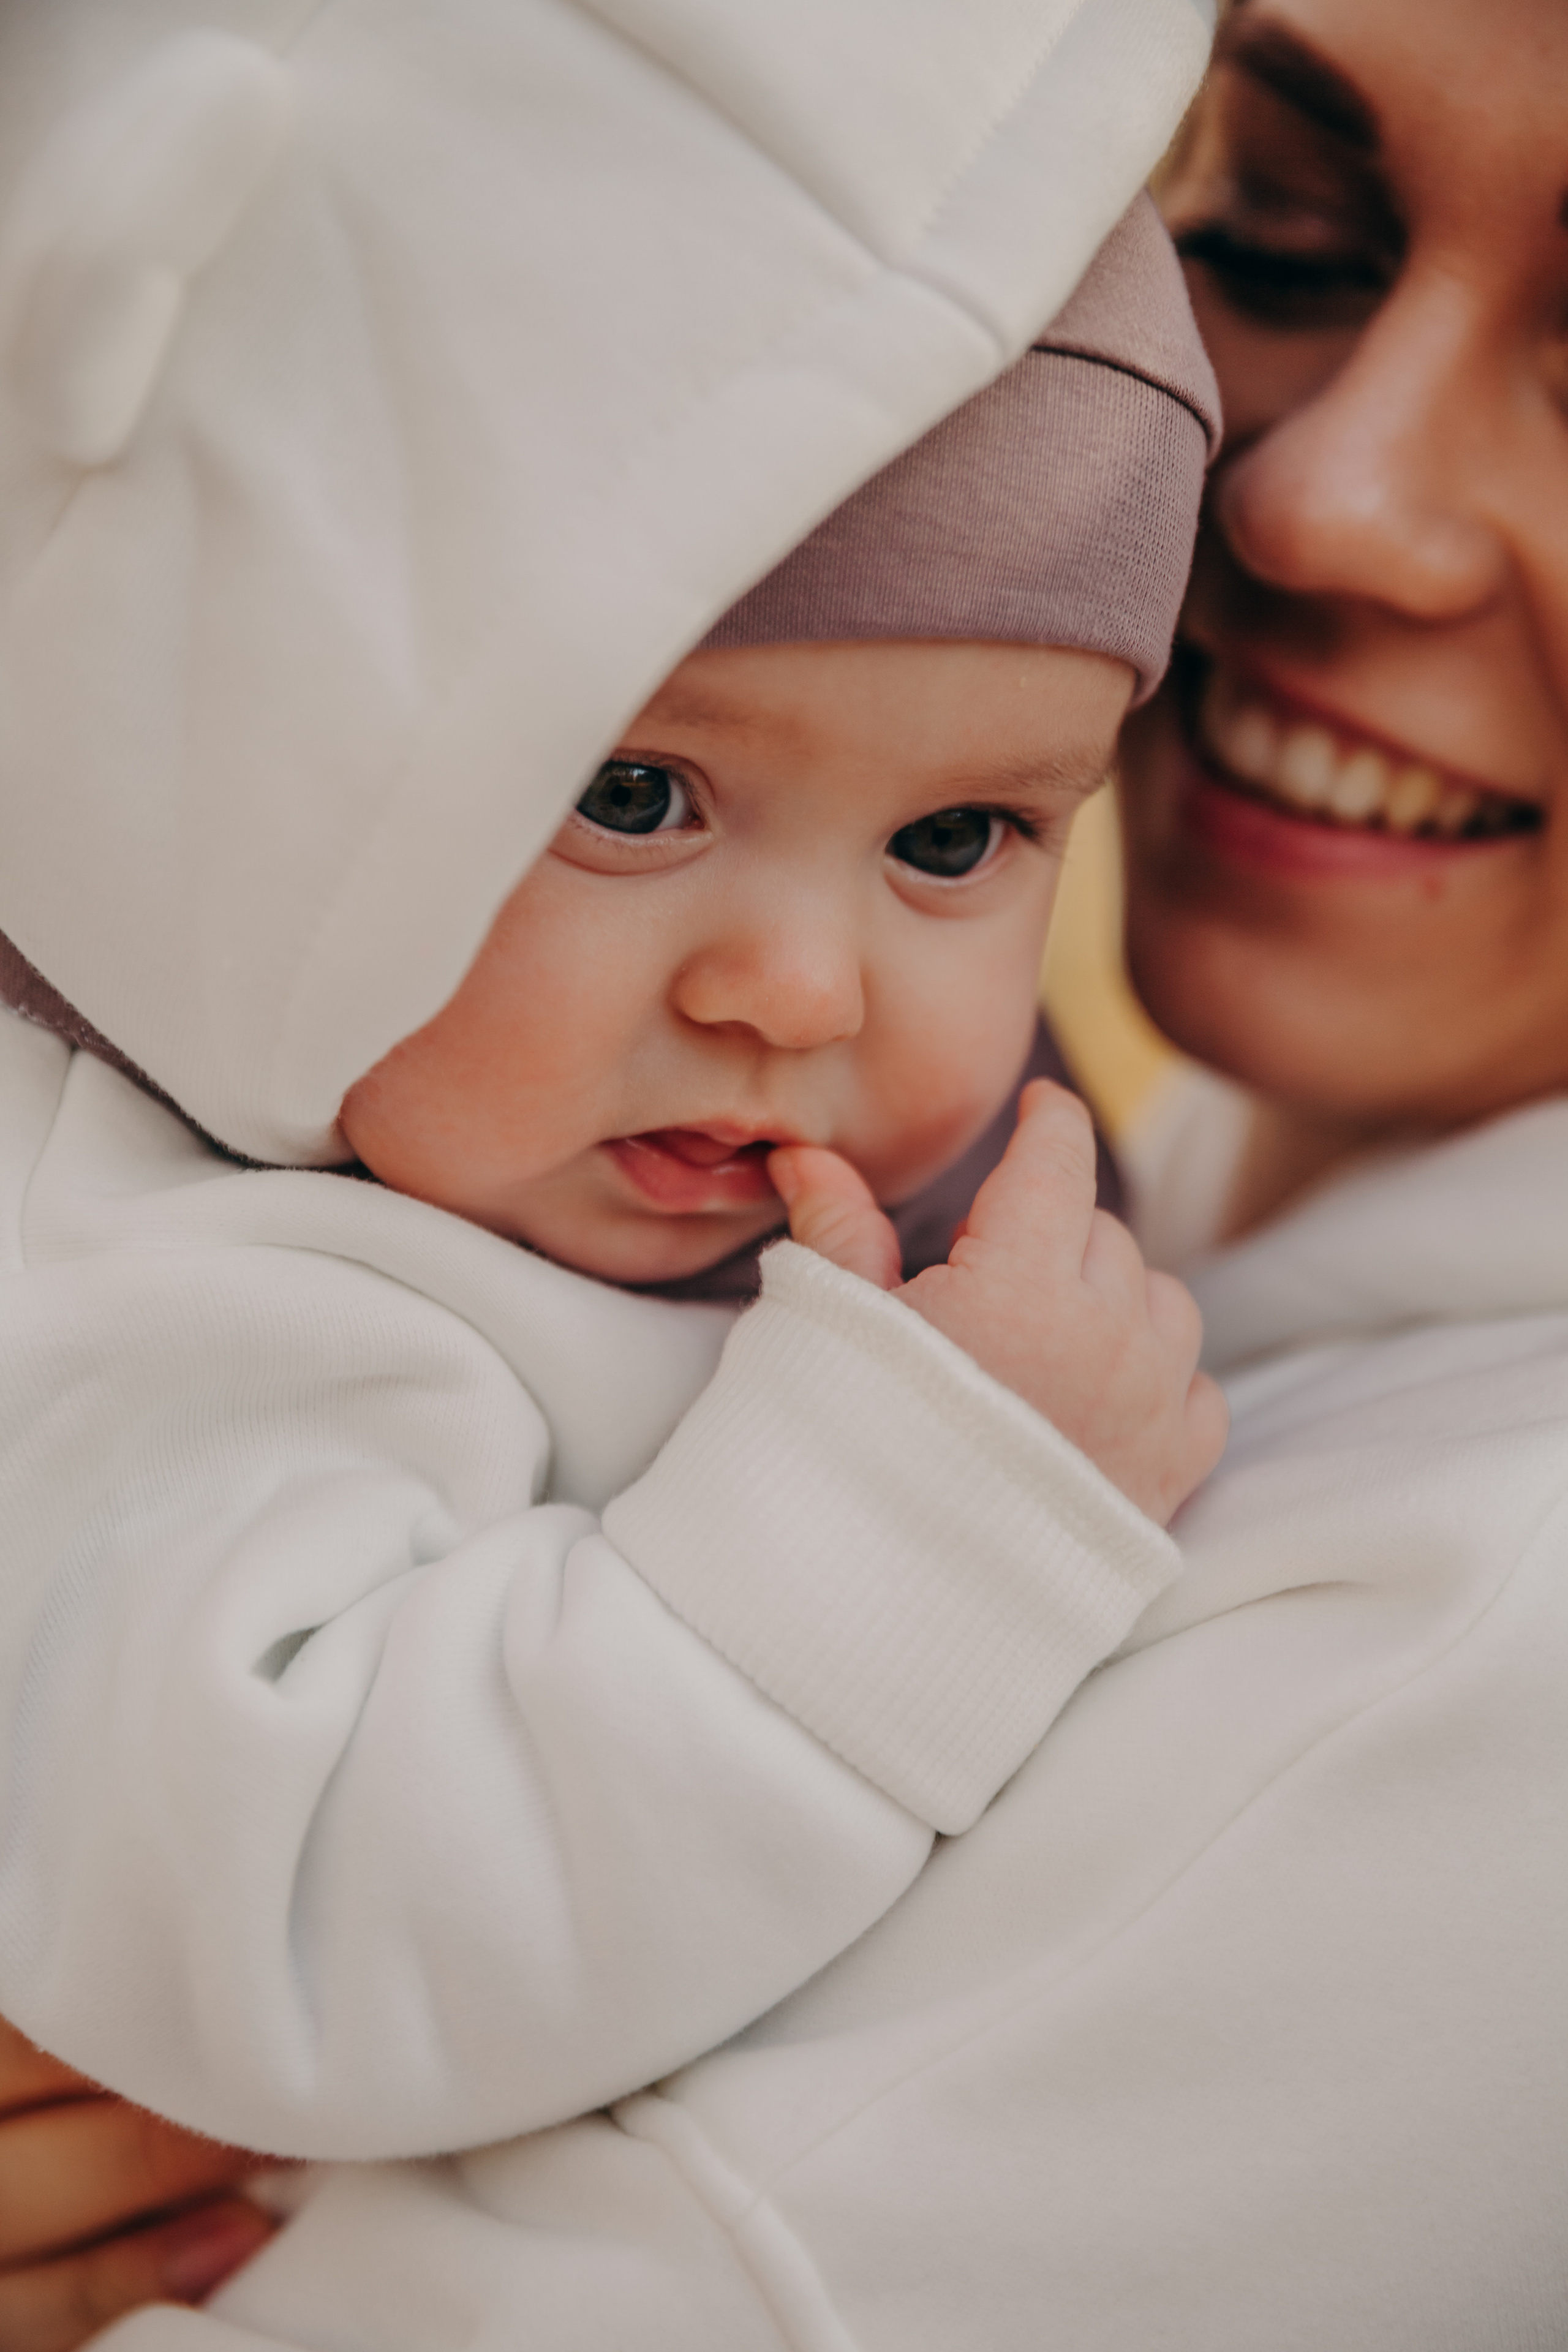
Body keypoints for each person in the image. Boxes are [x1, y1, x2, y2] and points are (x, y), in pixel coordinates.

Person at [53, 0, 1557, 2343]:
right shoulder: (194, 1270)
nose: (1310, 504)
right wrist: (921, 1519)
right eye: (1278, 238)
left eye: (956, 838)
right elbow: (297, 1898)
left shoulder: (1492, 1656)